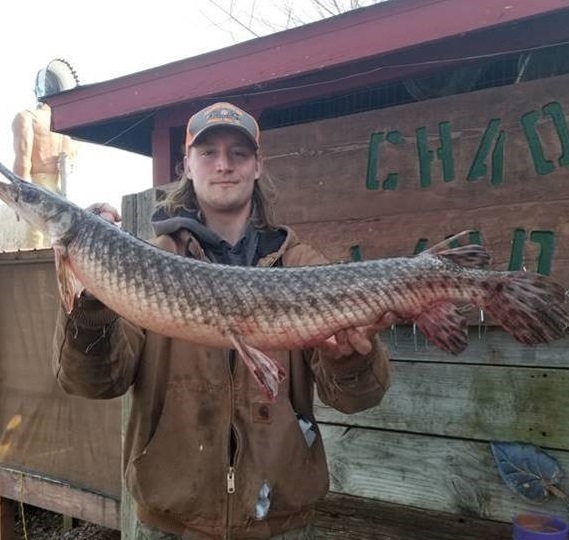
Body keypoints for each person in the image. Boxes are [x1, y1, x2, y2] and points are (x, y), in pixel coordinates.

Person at [52, 102, 392, 540]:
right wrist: (92, 306)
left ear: (257, 166)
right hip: (170, 522)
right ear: (187, 166)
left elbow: (356, 398)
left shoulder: (301, 264)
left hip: (280, 522)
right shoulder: (149, 264)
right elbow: (95, 382)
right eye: (208, 152)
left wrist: (351, 361)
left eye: (238, 153)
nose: (224, 165)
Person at [12, 58, 80, 248]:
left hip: (37, 186)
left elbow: (23, 163)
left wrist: (19, 200)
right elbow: (72, 161)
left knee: (36, 241)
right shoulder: (70, 122)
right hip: (62, 189)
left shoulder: (27, 118)